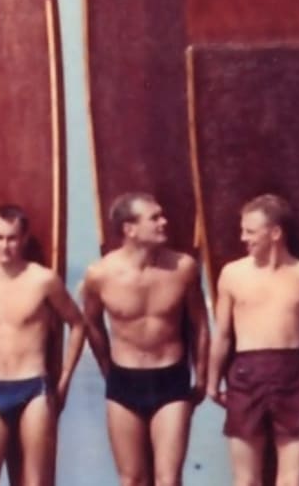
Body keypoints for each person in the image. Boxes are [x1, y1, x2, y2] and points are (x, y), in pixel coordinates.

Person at [63, 193, 210, 486]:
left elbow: (200, 325)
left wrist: (202, 377)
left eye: (162, 215)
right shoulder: (100, 274)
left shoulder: (183, 269)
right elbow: (91, 324)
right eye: (154, 218)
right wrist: (108, 370)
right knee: (131, 479)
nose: (163, 222)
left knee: (168, 479)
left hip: (172, 379)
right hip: (124, 381)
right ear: (129, 229)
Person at [0, 205, 98, 486]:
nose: (5, 246)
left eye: (12, 238)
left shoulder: (43, 280)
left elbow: (78, 324)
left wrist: (63, 381)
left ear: (23, 239)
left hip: (34, 388)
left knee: (36, 481)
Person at [209, 194, 299, 485]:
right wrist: (212, 381)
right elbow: (223, 335)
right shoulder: (232, 274)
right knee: (246, 481)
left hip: (294, 374)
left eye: (250, 231)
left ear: (275, 233)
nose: (243, 238)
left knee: (291, 481)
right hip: (245, 374)